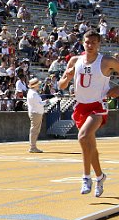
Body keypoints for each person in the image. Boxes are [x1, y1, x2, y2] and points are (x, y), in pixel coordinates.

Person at [58, 30, 119, 196]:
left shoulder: (107, 61)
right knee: (90, 147)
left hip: (98, 106)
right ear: (82, 42)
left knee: (83, 137)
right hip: (81, 107)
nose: (90, 45)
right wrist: (68, 77)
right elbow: (61, 85)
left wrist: (116, 89)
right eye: (87, 42)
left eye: (93, 42)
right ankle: (100, 177)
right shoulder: (75, 60)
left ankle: (86, 177)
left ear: (99, 44)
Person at [26, 77, 46, 153]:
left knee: (35, 130)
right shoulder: (33, 93)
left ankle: (33, 146)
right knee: (34, 130)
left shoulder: (32, 92)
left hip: (36, 112)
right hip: (36, 113)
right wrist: (47, 102)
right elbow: (39, 104)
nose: (39, 86)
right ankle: (33, 147)